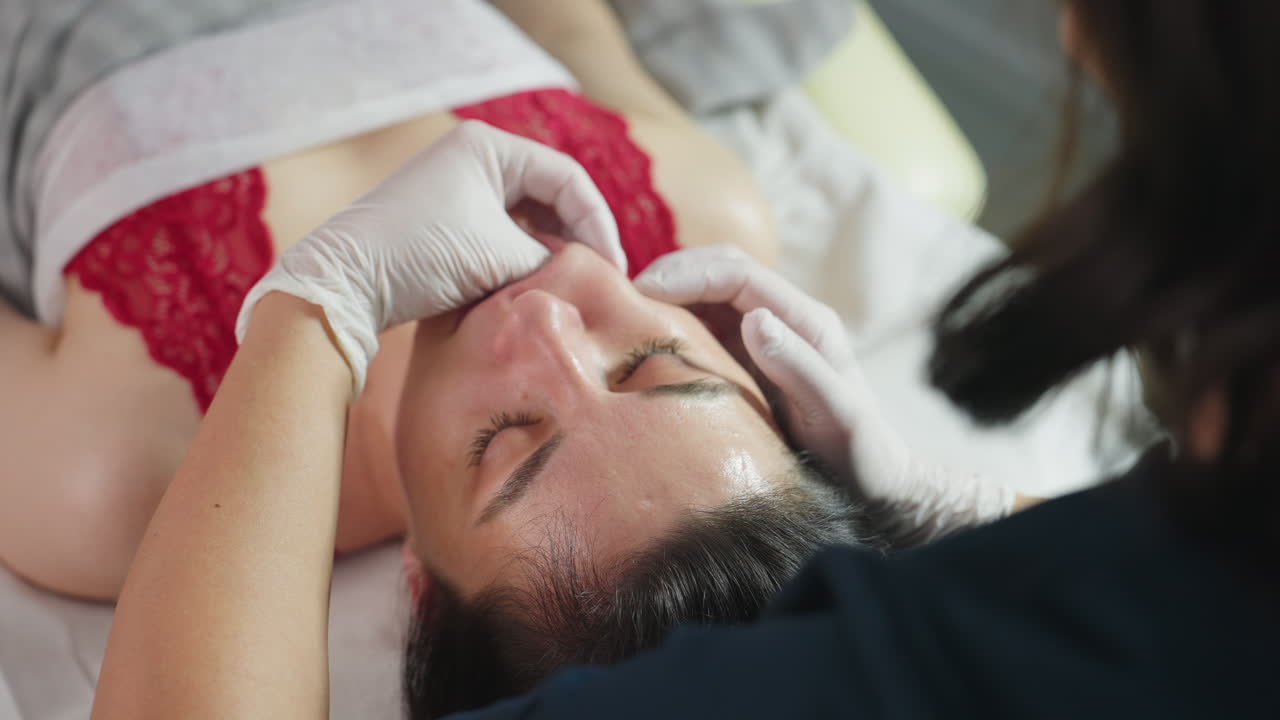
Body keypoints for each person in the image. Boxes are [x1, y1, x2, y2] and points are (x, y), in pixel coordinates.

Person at [93, 0, 1280, 717]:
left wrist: (319, 304)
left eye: (506, 447)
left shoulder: (116, 469)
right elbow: (573, 33)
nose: (544, 324)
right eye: (659, 368)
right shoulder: (701, 200)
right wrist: (956, 506)